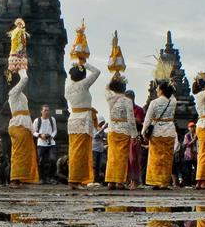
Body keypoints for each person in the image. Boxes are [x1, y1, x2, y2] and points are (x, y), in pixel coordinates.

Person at [65, 61, 100, 189]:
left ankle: (77, 179)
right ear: (83, 76)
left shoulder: (68, 88)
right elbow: (97, 72)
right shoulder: (83, 85)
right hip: (83, 121)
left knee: (74, 151)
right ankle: (74, 180)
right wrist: (84, 63)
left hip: (73, 120)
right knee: (80, 153)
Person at [142, 80, 177, 189]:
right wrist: (172, 85)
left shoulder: (154, 102)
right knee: (167, 157)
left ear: (161, 90)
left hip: (157, 131)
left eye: (158, 88)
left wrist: (143, 132)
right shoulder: (172, 102)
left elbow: (147, 119)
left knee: (155, 157)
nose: (156, 90)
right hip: (170, 130)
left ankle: (155, 181)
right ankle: (164, 182)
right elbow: (173, 96)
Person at [7, 70, 39, 187]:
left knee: (24, 153)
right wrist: (22, 69)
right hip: (18, 124)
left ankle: (20, 178)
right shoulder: (13, 93)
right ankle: (14, 179)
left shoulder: (21, 95)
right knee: (19, 153)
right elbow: (25, 79)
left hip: (23, 124)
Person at [104, 75, 138, 189]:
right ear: (124, 88)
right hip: (124, 130)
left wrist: (113, 78)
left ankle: (110, 181)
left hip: (112, 129)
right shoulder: (127, 101)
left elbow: (106, 88)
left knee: (112, 156)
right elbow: (131, 119)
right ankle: (119, 182)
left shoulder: (110, 98)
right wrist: (134, 135)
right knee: (122, 158)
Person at [32, 104, 57, 184]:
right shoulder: (37, 120)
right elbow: (33, 132)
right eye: (45, 110)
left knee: (53, 160)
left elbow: (55, 130)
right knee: (40, 161)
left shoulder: (52, 119)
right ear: (41, 111)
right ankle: (41, 178)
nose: (46, 112)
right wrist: (40, 135)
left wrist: (51, 136)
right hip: (41, 143)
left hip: (51, 143)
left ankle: (51, 177)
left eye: (47, 110)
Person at [128, 90, 145, 189]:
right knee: (127, 160)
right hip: (125, 135)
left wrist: (129, 118)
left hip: (135, 135)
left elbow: (139, 121)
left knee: (134, 159)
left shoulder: (138, 109)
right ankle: (130, 180)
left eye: (130, 98)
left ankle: (136, 181)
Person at [181, 123, 197, 187]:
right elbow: (187, 144)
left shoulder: (197, 134)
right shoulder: (187, 135)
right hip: (188, 155)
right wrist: (194, 140)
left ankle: (194, 182)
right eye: (191, 127)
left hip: (196, 155)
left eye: (193, 127)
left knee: (196, 169)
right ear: (188, 128)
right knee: (188, 170)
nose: (192, 128)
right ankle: (188, 183)